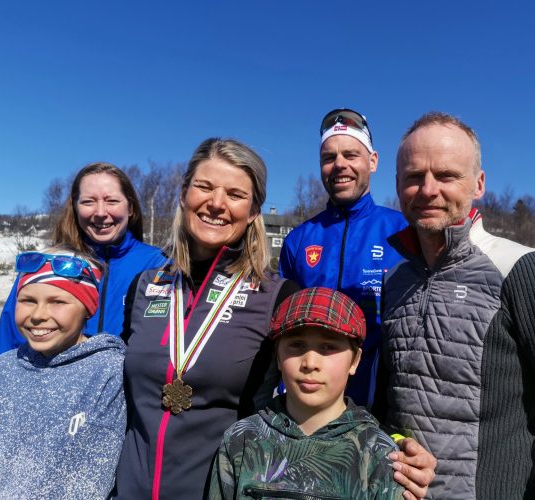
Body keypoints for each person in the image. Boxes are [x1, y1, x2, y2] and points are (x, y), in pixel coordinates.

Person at [375, 111, 535, 499]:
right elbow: (392, 409)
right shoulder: (395, 281)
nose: (428, 189)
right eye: (414, 177)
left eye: (447, 175)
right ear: (398, 185)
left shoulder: (524, 270)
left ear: (479, 184)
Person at [115, 138, 299, 499]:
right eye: (204, 187)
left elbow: (319, 395)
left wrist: (385, 448)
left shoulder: (277, 296)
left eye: (235, 194)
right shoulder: (146, 286)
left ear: (253, 212)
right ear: (184, 194)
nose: (216, 203)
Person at [208, 287, 404, 499]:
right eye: (296, 345)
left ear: (355, 360)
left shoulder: (379, 453)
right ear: (278, 357)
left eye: (328, 347)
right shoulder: (241, 439)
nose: (310, 363)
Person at [279, 108, 407, 407]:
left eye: (350, 155)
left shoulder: (402, 231)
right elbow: (283, 326)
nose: (340, 165)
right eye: (329, 158)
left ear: (372, 162)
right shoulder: (299, 239)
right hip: (309, 400)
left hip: (379, 402)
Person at [0, 162, 166, 369]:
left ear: (130, 207)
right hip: (53, 394)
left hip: (129, 396)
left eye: (112, 201)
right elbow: (9, 341)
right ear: (75, 207)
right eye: (88, 201)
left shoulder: (159, 265)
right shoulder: (47, 264)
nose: (100, 212)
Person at [0, 247, 126, 499]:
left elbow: (93, 477)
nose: (38, 315)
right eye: (28, 300)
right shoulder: (1, 370)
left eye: (57, 302)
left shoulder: (109, 373)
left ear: (87, 309)